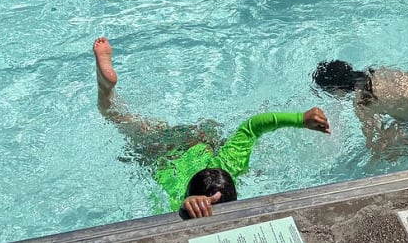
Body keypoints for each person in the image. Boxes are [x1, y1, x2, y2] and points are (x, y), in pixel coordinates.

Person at [93, 37, 331, 218]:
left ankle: (106, 89)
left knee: (119, 116)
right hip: (169, 152)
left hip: (190, 142)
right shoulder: (180, 192)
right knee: (117, 117)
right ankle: (106, 91)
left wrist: (301, 118)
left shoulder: (228, 166)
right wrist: (183, 209)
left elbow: (254, 125)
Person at [312, 60, 408, 154]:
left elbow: (372, 144)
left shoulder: (362, 102)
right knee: (396, 124)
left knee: (386, 149)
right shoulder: (380, 73)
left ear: (336, 89)